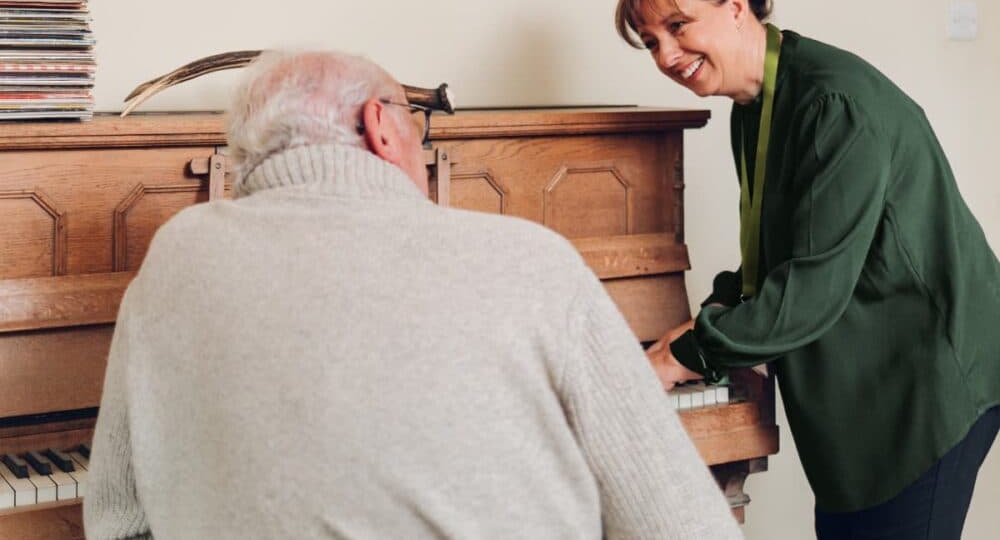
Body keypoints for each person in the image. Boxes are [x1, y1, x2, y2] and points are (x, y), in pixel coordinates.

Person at [84, 49, 741, 540]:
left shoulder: (176, 256)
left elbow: (118, 521)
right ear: (382, 126)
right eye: (419, 124)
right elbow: (681, 523)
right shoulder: (531, 259)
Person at [615, 0, 1000, 539]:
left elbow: (808, 291)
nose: (665, 55)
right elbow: (775, 252)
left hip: (927, 379)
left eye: (677, 27)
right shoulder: (756, 103)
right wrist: (711, 313)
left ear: (736, 6)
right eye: (650, 40)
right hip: (867, 388)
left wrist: (683, 353)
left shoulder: (830, 102)